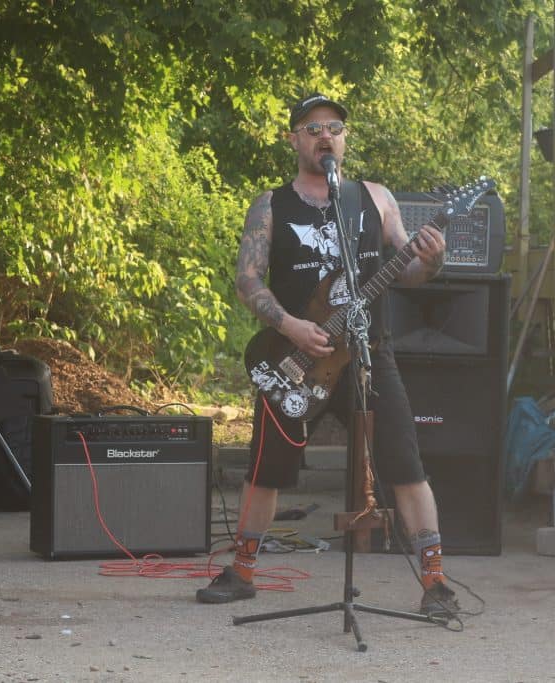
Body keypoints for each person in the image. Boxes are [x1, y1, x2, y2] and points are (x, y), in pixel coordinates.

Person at [195, 93, 459, 618]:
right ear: (295, 139)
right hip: (296, 358)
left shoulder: (375, 198)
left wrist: (432, 261)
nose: (325, 136)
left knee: (406, 464)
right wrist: (290, 325)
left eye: (334, 127)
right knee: (266, 467)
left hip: (366, 354)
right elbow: (247, 278)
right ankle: (242, 570)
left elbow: (407, 271)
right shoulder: (270, 205)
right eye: (313, 128)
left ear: (345, 138)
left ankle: (435, 583)